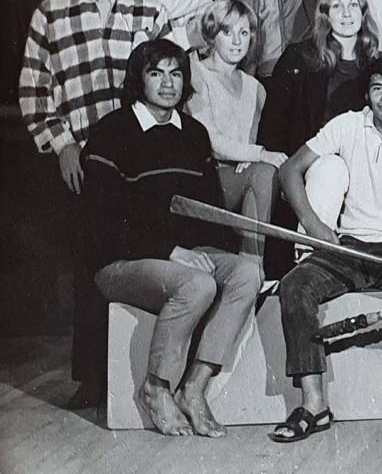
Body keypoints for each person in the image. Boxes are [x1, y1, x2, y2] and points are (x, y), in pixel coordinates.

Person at [19, 0, 170, 407]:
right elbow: (34, 89)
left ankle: (148, 372)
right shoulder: (51, 13)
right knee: (92, 260)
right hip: (85, 154)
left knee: (146, 254)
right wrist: (62, 144)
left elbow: (171, 79)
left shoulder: (148, 9)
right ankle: (93, 377)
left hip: (141, 157)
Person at [84, 39, 262, 437]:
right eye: (156, 73)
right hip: (120, 262)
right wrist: (171, 251)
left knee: (247, 273)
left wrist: (214, 256)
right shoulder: (112, 131)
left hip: (182, 257)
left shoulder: (194, 133)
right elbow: (103, 222)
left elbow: (209, 211)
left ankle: (193, 388)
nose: (168, 83)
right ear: (139, 79)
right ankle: (157, 386)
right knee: (197, 284)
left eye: (176, 73)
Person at [272, 56, 382, 441]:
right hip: (350, 247)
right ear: (367, 94)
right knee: (295, 284)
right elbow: (289, 170)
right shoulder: (347, 125)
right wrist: (315, 226)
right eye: (377, 88)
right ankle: (314, 404)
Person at [185, 0, 287, 259]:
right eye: (227, 31)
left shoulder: (256, 88)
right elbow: (209, 141)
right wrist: (257, 154)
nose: (237, 41)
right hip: (205, 180)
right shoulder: (197, 74)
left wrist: (251, 158)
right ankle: (254, 267)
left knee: (265, 173)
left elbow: (250, 145)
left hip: (241, 180)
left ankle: (251, 265)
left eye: (243, 32)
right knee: (264, 169)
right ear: (212, 34)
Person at [258, 0, 380, 156]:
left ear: (363, 13)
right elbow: (274, 121)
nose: (346, 13)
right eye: (337, 6)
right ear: (326, 15)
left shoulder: (378, 63)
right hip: (314, 159)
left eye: (353, 5)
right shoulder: (299, 58)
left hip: (362, 156)